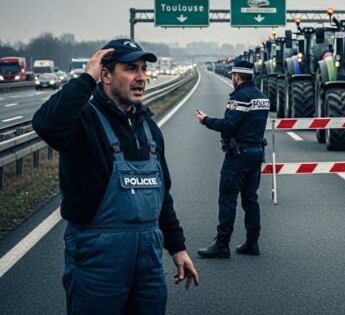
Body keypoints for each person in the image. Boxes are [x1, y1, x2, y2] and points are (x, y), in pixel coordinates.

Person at [32, 39, 199, 314]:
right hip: (97, 259)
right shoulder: (83, 122)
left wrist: (177, 247)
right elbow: (46, 124)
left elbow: (162, 195)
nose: (142, 77)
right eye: (131, 68)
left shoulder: (149, 130)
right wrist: (87, 76)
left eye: (144, 69)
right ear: (106, 75)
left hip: (148, 259)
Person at [196, 60, 269, 258]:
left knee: (227, 199)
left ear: (237, 76)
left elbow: (229, 125)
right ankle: (252, 243)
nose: (232, 78)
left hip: (238, 156)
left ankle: (221, 245)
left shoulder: (239, 98)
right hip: (256, 153)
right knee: (250, 199)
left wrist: (206, 121)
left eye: (233, 75)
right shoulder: (262, 97)